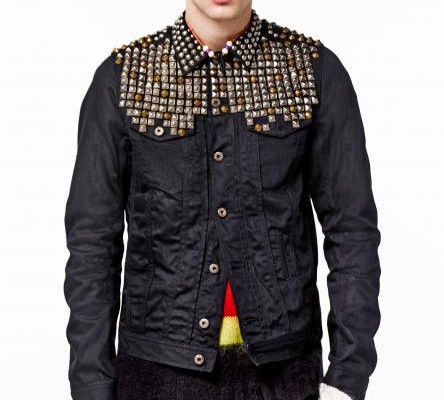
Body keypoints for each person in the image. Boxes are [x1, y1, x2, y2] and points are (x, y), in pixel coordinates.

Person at [63, 1, 381, 399]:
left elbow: (351, 230)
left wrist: (347, 378)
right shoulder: (124, 78)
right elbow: (92, 245)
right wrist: (92, 385)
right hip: (156, 377)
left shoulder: (312, 72)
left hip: (285, 378)